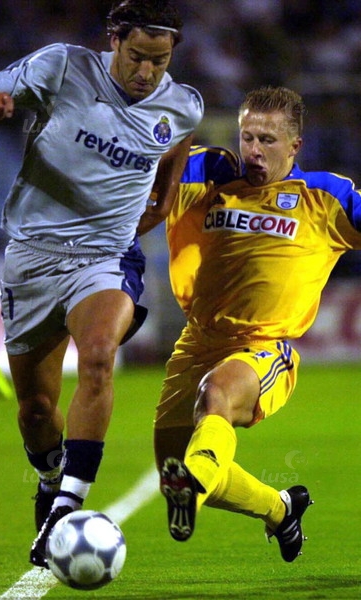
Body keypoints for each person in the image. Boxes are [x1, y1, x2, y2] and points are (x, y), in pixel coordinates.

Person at [0, 0, 203, 568]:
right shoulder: (63, 67)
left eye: (160, 61)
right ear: (114, 39)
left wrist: (158, 206)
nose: (146, 72)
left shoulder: (182, 105)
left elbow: (173, 157)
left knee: (96, 358)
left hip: (106, 259)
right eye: (137, 56)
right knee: (36, 412)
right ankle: (48, 478)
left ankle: (67, 508)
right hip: (33, 257)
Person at [155, 85, 361, 563]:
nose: (253, 149)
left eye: (267, 140)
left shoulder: (324, 197)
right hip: (196, 341)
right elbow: (148, 169)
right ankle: (280, 509)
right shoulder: (212, 175)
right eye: (247, 137)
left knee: (217, 394)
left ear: (295, 145)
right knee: (174, 470)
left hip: (263, 348)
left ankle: (194, 486)